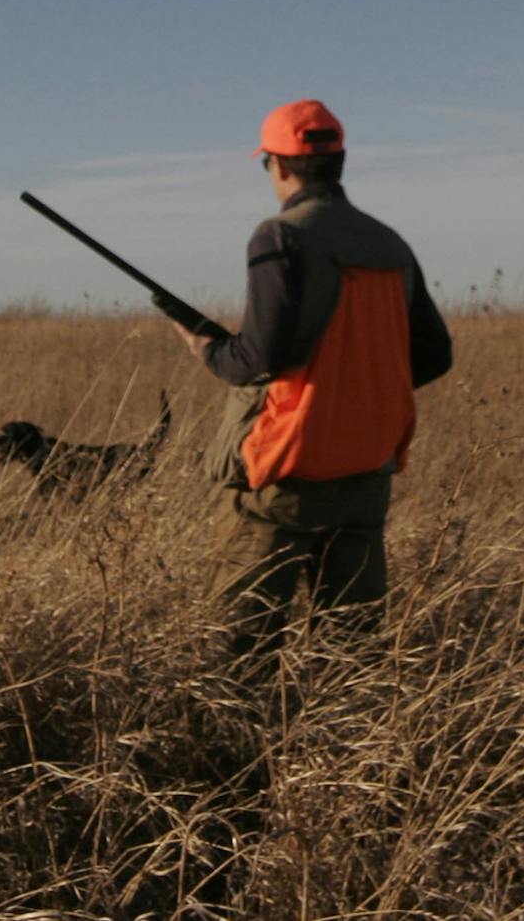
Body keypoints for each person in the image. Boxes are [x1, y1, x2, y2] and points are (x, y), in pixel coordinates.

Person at [171, 99, 453, 666]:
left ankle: (244, 753)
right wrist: (359, 396)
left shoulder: (281, 236)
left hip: (290, 469)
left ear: (276, 166)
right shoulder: (389, 244)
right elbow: (435, 354)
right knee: (351, 648)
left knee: (241, 648)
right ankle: (344, 749)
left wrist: (206, 346)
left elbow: (257, 357)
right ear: (340, 160)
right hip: (367, 469)